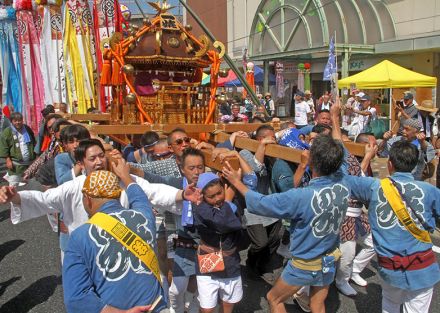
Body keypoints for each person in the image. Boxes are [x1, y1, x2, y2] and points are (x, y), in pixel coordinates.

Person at [222, 133, 350, 313]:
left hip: (306, 262)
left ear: (312, 161)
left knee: (274, 298)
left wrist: (236, 182)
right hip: (330, 257)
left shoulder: (301, 196)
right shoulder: (344, 182)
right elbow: (343, 153)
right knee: (317, 304)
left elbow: (262, 203)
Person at [347, 140, 440, 313]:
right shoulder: (429, 190)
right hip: (423, 267)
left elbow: (346, 179)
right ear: (414, 165)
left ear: (390, 164)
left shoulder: (373, 187)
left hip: (390, 267)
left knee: (390, 305)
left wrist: (367, 156)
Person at [63, 166, 166, 312]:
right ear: (118, 195)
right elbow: (139, 198)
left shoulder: (80, 237)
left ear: (87, 199)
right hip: (156, 307)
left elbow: (76, 299)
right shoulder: (144, 217)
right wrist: (125, 176)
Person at [193, 168, 256, 313]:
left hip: (230, 263)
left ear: (224, 187)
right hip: (207, 263)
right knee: (207, 308)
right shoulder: (200, 209)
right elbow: (222, 223)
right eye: (211, 196)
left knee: (228, 305)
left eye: (219, 193)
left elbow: (252, 184)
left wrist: (235, 182)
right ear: (202, 196)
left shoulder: (231, 203)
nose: (217, 199)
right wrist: (228, 201)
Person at [0, 112, 36, 183]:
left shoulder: (27, 129)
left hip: (29, 163)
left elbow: (33, 142)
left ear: (22, 120)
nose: (18, 122)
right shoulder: (7, 132)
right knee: (14, 184)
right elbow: (4, 146)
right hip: (15, 164)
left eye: (19, 120)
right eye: (15, 121)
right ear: (12, 121)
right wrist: (8, 160)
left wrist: (35, 156)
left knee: (31, 185)